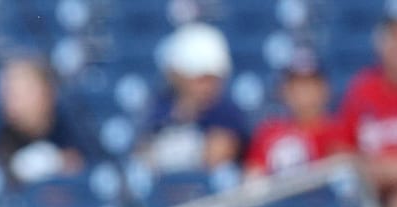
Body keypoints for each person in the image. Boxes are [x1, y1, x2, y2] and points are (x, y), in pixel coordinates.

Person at [340, 6, 397, 207]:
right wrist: (366, 168)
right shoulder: (362, 87)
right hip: (369, 192)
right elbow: (340, 145)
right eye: (396, 37)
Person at [137, 22, 247, 174]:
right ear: (178, 76)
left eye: (212, 79)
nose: (207, 87)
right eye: (200, 79)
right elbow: (142, 159)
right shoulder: (159, 108)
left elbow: (216, 158)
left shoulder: (226, 114)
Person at [245, 49, 348, 177]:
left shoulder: (340, 131)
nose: (304, 93)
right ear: (284, 91)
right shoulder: (269, 132)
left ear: (325, 89)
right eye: (297, 85)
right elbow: (252, 181)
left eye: (310, 84)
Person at [0, 56, 89, 185]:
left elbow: (82, 165)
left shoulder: (73, 127)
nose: (10, 100)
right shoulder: (0, 133)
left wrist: (56, 161)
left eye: (20, 92)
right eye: (7, 91)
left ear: (46, 91)